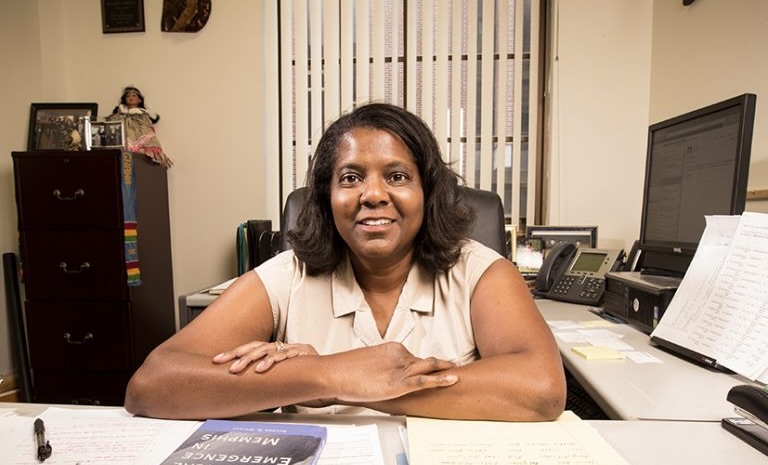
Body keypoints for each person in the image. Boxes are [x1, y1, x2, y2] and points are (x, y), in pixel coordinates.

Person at [125, 102, 566, 421]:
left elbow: (540, 389)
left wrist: (338, 383)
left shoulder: (481, 271)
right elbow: (153, 385)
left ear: (428, 192)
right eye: (351, 178)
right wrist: (327, 376)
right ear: (326, 197)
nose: (373, 195)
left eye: (397, 176)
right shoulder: (287, 275)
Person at [107, 86, 173, 168]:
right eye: (128, 96)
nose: (131, 97)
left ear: (140, 100)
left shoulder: (143, 114)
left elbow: (147, 126)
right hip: (126, 135)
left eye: (134, 96)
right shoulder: (121, 114)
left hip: (141, 134)